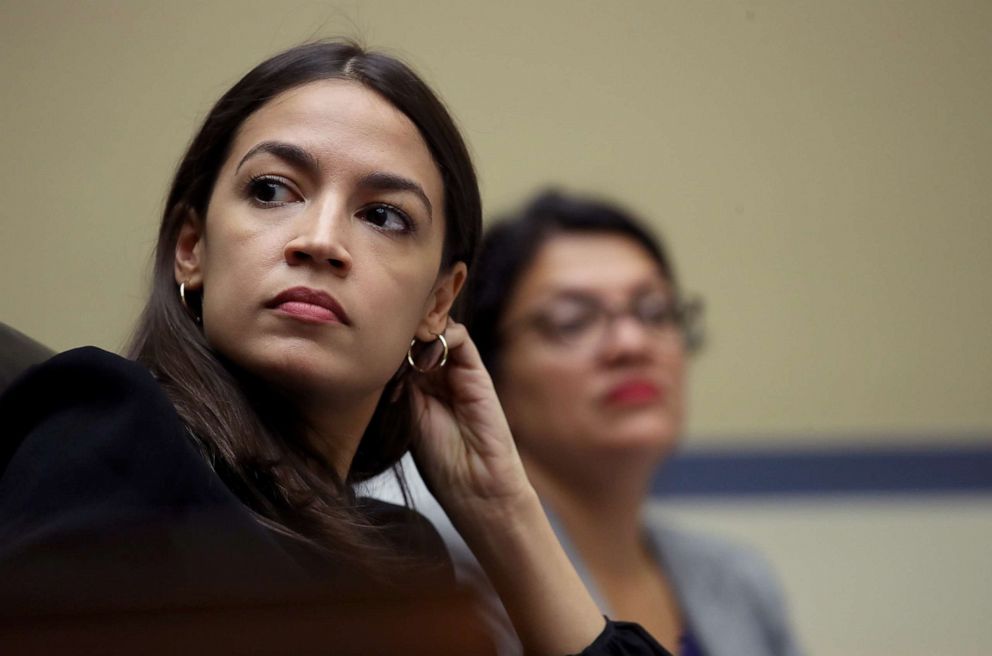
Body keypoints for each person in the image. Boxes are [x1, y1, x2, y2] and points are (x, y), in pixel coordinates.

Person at [0, 42, 671, 655]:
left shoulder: (409, 561)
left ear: (438, 302)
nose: (319, 240)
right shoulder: (111, 427)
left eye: (382, 215)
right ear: (191, 247)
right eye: (271, 190)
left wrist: (504, 514)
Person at [377, 190, 804, 656]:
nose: (631, 343)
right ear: (487, 373)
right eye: (573, 320)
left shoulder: (738, 578)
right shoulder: (435, 569)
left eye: (654, 311)